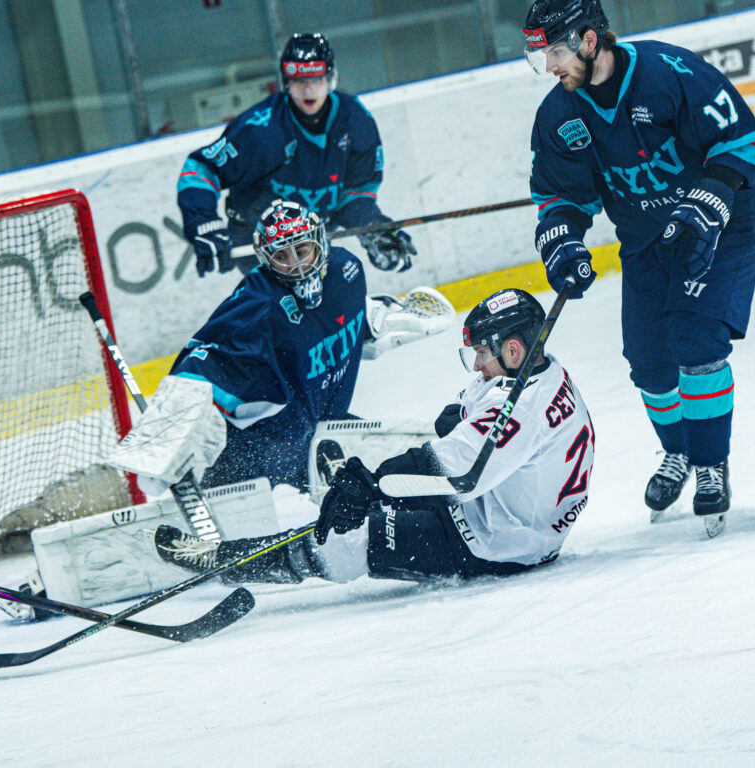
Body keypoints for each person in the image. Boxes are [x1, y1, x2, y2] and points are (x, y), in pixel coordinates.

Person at [152, 288, 595, 587]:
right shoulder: (543, 372)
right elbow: (469, 425)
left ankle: (224, 561)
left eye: (482, 352)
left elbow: (457, 474)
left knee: (346, 540)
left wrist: (371, 486)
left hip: (499, 543)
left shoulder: (518, 409)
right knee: (387, 482)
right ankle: (294, 528)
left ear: (512, 349)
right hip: (508, 512)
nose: (477, 364)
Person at [521, 0, 755, 536]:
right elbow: (560, 195)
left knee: (695, 340)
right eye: (540, 58)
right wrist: (561, 239)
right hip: (647, 238)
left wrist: (713, 195)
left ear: (587, 40)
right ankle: (679, 451)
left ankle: (710, 463)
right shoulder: (559, 115)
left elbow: (741, 138)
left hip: (723, 224)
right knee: (648, 360)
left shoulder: (672, 73)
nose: (549, 67)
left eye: (554, 53)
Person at [107, 200, 450, 495]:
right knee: (254, 539)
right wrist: (163, 441)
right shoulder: (258, 303)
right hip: (263, 449)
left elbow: (342, 318)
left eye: (301, 251)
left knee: (400, 481)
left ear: (320, 243)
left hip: (325, 432)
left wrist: (380, 323)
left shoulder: (347, 271)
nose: (296, 265)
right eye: (282, 256)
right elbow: (204, 360)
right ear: (264, 259)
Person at [177, 32, 417, 278]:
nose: (308, 89)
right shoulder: (262, 129)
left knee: (337, 290)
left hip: (312, 237)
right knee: (301, 296)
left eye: (316, 79)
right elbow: (200, 169)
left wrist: (373, 227)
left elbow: (353, 197)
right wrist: (204, 224)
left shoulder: (354, 120)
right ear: (286, 83)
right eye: (299, 81)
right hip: (259, 239)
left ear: (331, 79)